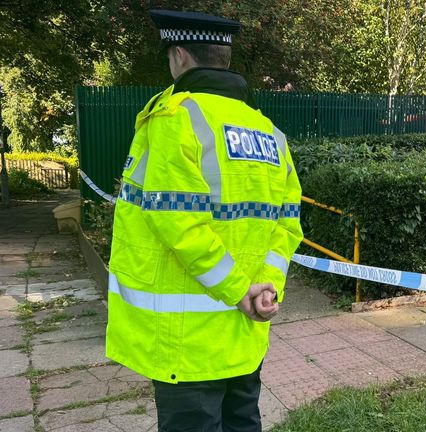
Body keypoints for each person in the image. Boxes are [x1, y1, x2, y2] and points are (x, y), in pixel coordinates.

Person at [105, 9, 303, 432]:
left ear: (179, 56)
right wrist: (265, 290)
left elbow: (178, 223)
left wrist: (237, 289)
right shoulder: (269, 132)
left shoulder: (176, 119)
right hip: (247, 331)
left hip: (186, 345)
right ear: (225, 58)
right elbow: (287, 226)